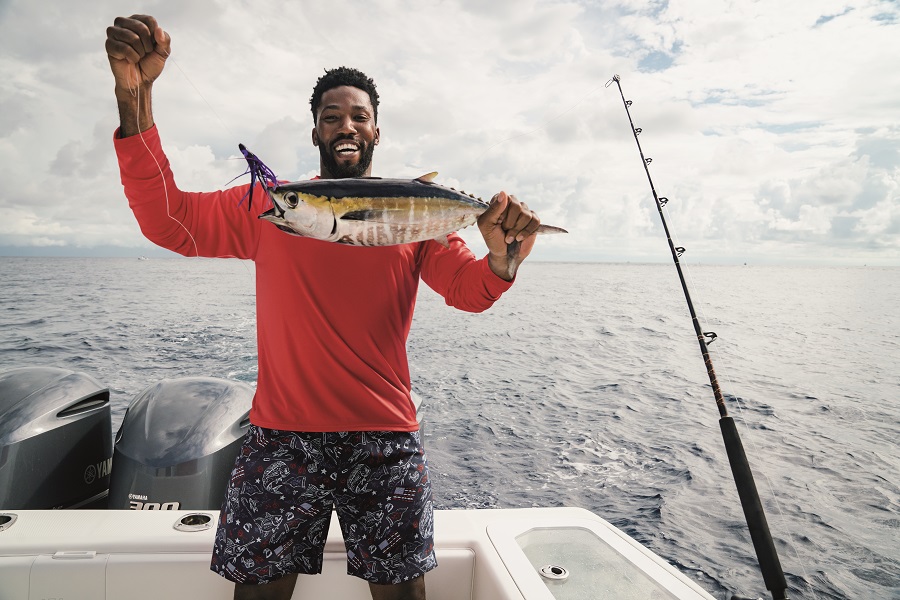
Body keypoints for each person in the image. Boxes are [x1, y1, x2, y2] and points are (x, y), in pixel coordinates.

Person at [106, 14, 542, 600]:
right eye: (331, 117)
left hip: (384, 437)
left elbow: (469, 289)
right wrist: (135, 98)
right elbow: (169, 221)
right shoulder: (275, 206)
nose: (346, 126)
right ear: (315, 131)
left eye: (359, 116)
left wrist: (502, 262)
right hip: (282, 435)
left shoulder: (415, 213)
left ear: (376, 132)